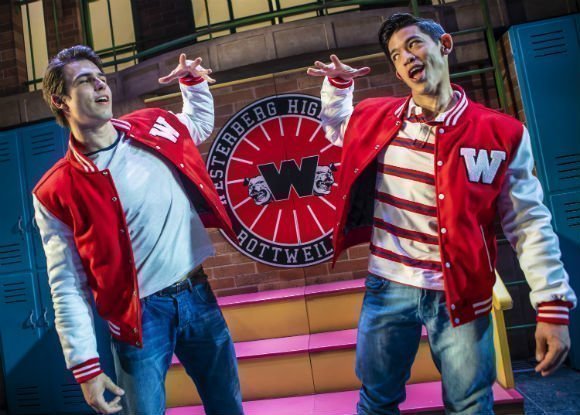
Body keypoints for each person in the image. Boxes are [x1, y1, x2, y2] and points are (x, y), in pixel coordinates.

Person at [307, 12, 576, 415]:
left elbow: (528, 222)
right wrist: (339, 86)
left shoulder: (502, 133)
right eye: (396, 55)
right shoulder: (376, 119)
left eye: (413, 43)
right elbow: (336, 127)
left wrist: (552, 306)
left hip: (463, 292)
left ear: (444, 45)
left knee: (470, 405)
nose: (406, 57)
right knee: (375, 401)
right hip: (387, 285)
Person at [34, 45, 243, 415]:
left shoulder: (151, 127)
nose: (100, 85)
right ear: (60, 101)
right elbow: (65, 283)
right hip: (139, 319)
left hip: (197, 292)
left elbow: (196, 125)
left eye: (101, 78)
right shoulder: (55, 190)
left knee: (227, 406)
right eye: (85, 81)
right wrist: (85, 368)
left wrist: (193, 84)